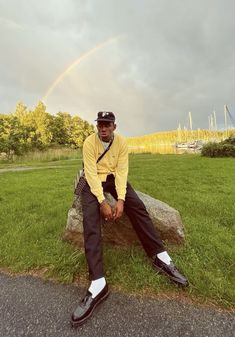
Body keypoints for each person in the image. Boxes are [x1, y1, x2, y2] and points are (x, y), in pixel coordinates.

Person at [71, 111, 188, 327]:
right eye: (100, 125)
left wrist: (122, 200)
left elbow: (122, 172)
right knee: (91, 222)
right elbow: (89, 172)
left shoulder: (122, 143)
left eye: (107, 125)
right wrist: (102, 202)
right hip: (93, 180)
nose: (103, 128)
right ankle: (98, 283)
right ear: (97, 126)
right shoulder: (89, 143)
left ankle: (160, 257)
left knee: (139, 208)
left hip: (114, 178)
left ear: (114, 126)